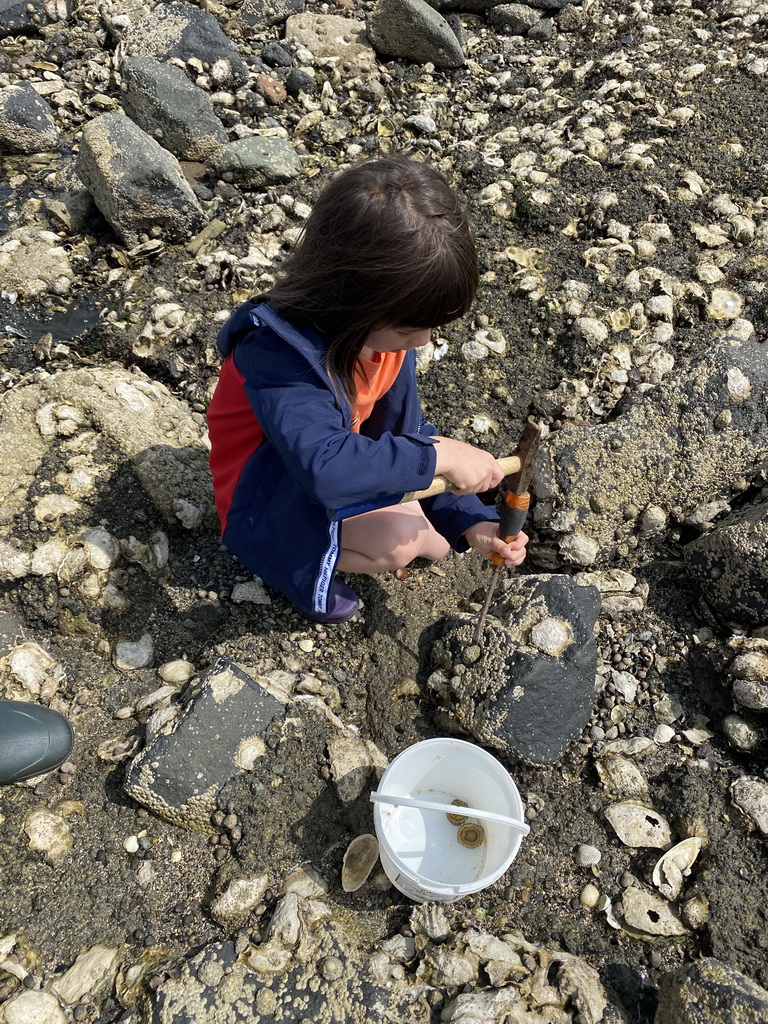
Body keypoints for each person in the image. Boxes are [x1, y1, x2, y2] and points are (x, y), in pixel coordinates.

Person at [207, 156, 528, 624]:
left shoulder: (381, 338)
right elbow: (326, 468)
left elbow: (406, 432)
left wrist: (471, 521)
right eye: (408, 330)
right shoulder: (277, 358)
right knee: (398, 546)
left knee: (438, 541)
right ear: (351, 298)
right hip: (263, 494)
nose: (422, 342)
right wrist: (441, 456)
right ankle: (286, 562)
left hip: (322, 467)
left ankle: (368, 536)